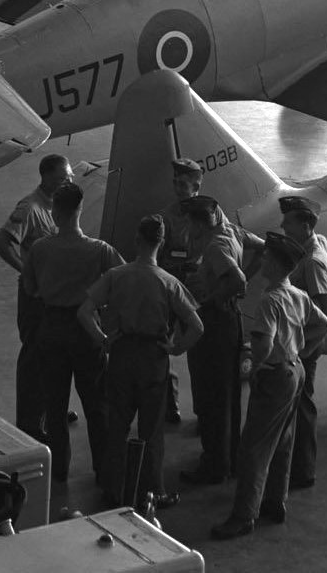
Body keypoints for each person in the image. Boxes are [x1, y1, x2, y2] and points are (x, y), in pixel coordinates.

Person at [79, 214, 203, 511]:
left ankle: (112, 488)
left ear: (137, 240)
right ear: (162, 242)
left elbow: (84, 311)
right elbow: (197, 326)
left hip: (122, 354)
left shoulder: (116, 276)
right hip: (153, 359)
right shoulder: (169, 282)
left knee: (117, 425)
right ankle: (152, 491)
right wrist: (175, 349)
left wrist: (103, 339)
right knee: (151, 429)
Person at [210, 231, 327, 538]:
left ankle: (244, 516)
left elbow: (263, 344)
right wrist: (302, 350)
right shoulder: (298, 295)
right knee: (283, 441)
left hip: (275, 375)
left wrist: (255, 368)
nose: (262, 259)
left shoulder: (269, 301)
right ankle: (275, 501)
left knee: (254, 448)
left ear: (275, 264)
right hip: (295, 371)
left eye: (267, 257)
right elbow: (324, 324)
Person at [21, 181, 122, 495]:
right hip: (86, 330)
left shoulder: (40, 249)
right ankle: (103, 469)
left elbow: (30, 288)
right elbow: (122, 280)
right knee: (96, 404)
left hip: (51, 329)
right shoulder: (100, 250)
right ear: (80, 210)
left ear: (54, 212)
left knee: (55, 404)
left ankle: (60, 470)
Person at [175, 195, 245, 488]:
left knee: (211, 396)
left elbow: (238, 280)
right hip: (230, 320)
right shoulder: (231, 232)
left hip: (214, 323)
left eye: (189, 223)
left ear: (198, 224)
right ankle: (230, 458)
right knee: (227, 395)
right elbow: (259, 246)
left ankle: (214, 465)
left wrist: (212, 299)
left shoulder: (215, 246)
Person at [0, 155, 68, 434]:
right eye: (62, 178)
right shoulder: (30, 208)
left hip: (54, 294)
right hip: (35, 297)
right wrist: (26, 270)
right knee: (34, 358)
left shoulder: (58, 207)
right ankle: (29, 424)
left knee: (53, 355)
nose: (67, 182)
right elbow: (1, 241)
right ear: (46, 178)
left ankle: (50, 412)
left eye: (69, 177)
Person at [279, 195, 327, 490]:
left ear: (305, 226)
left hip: (304, 346)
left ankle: (303, 471)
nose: (283, 225)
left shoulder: (313, 261)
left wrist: (305, 350)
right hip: (300, 342)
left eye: (288, 222)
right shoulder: (322, 243)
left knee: (302, 406)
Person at [157, 157, 206, 425]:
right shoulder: (166, 216)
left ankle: (203, 411)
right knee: (163, 343)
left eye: (184, 184)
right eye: (176, 183)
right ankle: (169, 405)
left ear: (196, 186)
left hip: (197, 288)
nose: (178, 189)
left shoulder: (210, 214)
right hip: (172, 286)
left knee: (200, 352)